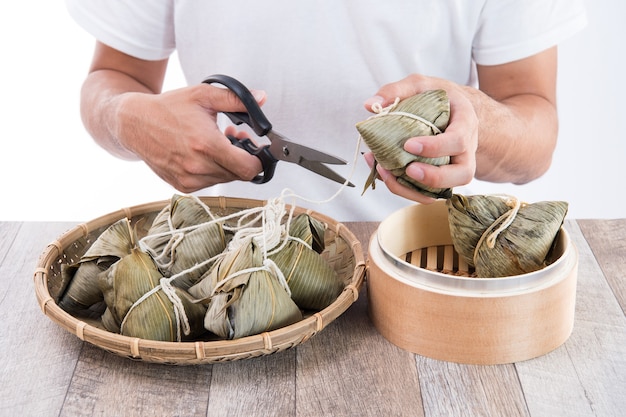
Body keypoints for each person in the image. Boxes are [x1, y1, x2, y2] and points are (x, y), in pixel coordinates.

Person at [66, 1, 586, 221]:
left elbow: (535, 128)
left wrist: (479, 123)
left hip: (416, 267)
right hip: (230, 268)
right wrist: (128, 119)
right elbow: (113, 81)